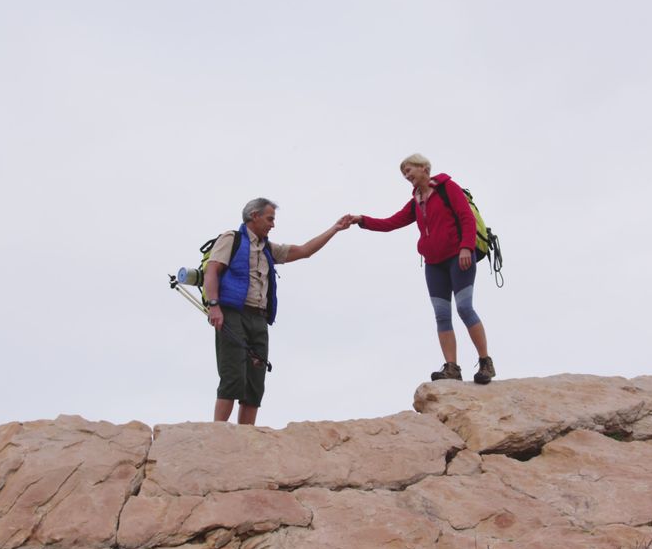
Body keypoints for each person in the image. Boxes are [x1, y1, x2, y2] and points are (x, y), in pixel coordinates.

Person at [203, 198, 352, 425]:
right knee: (232, 376)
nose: (273, 224)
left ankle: (245, 436)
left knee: (255, 383)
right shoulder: (232, 239)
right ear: (254, 216)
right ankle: (218, 433)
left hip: (259, 318)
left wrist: (334, 229)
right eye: (270, 218)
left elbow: (304, 251)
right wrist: (214, 306)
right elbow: (212, 270)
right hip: (233, 313)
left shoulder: (267, 249)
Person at [349, 154, 496, 384]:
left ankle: (485, 362)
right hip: (434, 263)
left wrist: (467, 247)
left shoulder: (448, 188)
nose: (407, 176)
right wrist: (362, 220)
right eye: (404, 173)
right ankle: (451, 368)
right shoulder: (416, 201)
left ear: (424, 168)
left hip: (459, 257)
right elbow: (392, 222)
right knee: (442, 315)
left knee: (465, 308)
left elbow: (466, 217)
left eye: (409, 170)